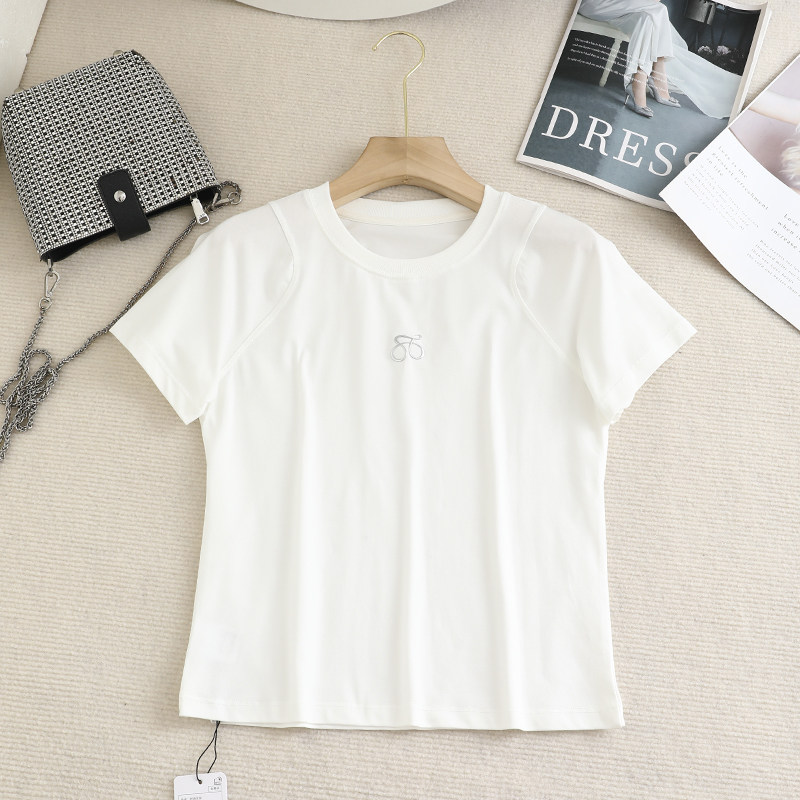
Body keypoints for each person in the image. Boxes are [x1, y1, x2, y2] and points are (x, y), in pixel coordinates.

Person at [578, 0, 742, 120]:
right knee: (659, 10)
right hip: (592, 4)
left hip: (621, 6)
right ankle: (650, 79)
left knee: (649, 19)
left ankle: (641, 81)